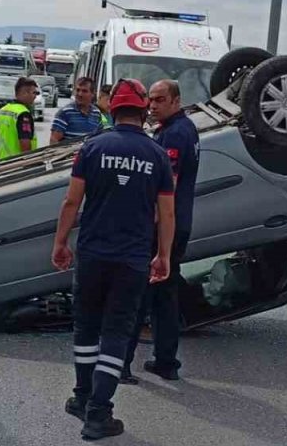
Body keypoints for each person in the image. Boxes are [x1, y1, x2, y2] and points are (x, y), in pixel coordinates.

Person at [51, 78, 173, 441]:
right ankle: (98, 413)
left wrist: (60, 242)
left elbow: (72, 202)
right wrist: (163, 254)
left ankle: (82, 396)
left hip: (91, 254)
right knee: (116, 333)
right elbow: (165, 213)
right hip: (132, 259)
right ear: (142, 111)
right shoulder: (157, 155)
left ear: (113, 110)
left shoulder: (92, 147)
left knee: (86, 329)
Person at [122, 80, 200, 382]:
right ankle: (166, 361)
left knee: (138, 294)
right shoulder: (184, 128)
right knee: (165, 296)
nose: (152, 106)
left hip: (162, 227)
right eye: (150, 100)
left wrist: (148, 225)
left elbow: (167, 187)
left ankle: (123, 364)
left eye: (160, 100)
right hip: (179, 223)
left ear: (176, 100)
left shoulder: (175, 135)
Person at [51, 76, 105, 143]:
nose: (80, 94)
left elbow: (99, 137)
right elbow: (54, 141)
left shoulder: (96, 113)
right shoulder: (65, 113)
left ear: (92, 94)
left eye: (84, 91)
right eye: (78, 90)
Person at [0, 77, 38, 159]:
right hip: (16, 164)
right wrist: (29, 163)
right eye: (34, 93)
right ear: (25, 93)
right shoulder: (23, 113)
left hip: (2, 160)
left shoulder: (3, 110)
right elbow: (25, 143)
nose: (35, 96)